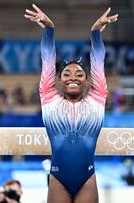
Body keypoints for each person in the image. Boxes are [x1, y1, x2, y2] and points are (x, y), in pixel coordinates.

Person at [24, 4, 118, 203]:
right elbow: (47, 57)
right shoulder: (48, 97)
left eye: (79, 74)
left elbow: (98, 60)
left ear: (87, 81)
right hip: (58, 178)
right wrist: (49, 30)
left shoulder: (97, 97)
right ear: (58, 81)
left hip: (87, 179)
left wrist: (95, 34)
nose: (72, 77)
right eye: (66, 73)